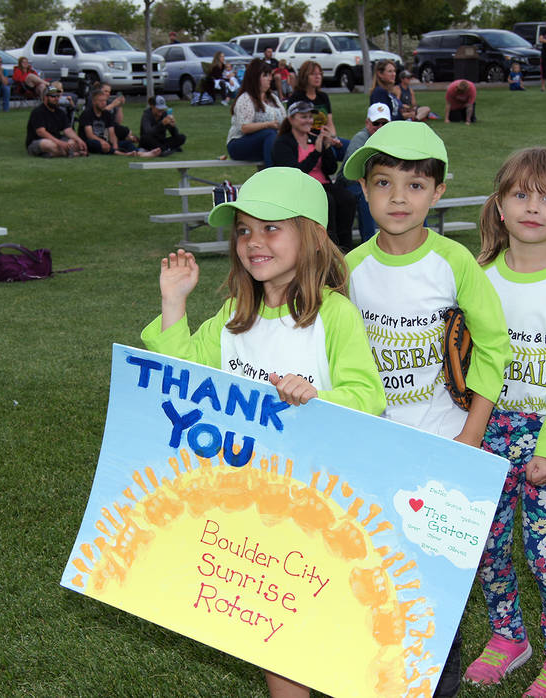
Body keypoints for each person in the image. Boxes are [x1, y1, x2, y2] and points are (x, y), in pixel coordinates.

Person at [141, 167, 385, 698]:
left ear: (311, 236)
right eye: (244, 230)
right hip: (255, 511)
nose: (254, 242)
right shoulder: (233, 318)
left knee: (337, 638)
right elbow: (180, 382)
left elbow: (368, 397)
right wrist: (174, 302)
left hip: (324, 507)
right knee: (277, 641)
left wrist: (317, 397)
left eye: (271, 228)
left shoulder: (334, 316)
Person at [341, 120, 511, 698]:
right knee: (372, 571)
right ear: (364, 190)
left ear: (438, 193)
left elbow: (494, 345)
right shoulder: (350, 268)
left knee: (438, 584)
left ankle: (437, 687)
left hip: (445, 442)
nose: (397, 198)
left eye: (415, 185)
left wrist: (473, 431)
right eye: (383, 182)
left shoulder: (455, 262)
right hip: (373, 447)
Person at [462, 147, 546, 697]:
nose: (533, 207)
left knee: (543, 551)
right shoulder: (478, 279)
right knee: (488, 544)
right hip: (487, 427)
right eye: (520, 194)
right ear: (499, 205)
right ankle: (507, 636)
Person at [272, 101, 355, 252]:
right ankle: (329, 248)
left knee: (347, 198)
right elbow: (293, 174)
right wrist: (316, 152)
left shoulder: (314, 137)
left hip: (322, 183)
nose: (309, 120)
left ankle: (346, 248)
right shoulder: (283, 143)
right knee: (327, 200)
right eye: (304, 117)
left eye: (310, 117)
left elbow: (330, 169)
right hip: (300, 186)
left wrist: (327, 148)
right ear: (291, 119)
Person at [336, 103, 389, 242]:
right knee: (367, 197)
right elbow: (352, 172)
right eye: (376, 123)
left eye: (385, 123)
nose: (380, 127)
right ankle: (369, 241)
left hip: (377, 183)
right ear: (367, 123)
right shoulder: (360, 138)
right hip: (351, 183)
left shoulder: (392, 139)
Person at [225, 58, 285, 166]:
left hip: (269, 142)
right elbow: (245, 127)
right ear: (255, 77)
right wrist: (268, 125)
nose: (270, 79)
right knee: (270, 134)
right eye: (265, 75)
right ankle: (271, 176)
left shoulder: (273, 99)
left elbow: (285, 121)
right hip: (239, 143)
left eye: (270, 75)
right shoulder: (246, 98)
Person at [79, 87, 159, 156]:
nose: (104, 103)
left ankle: (140, 153)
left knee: (126, 143)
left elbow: (112, 132)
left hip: (105, 141)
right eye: (101, 101)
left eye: (105, 101)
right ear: (94, 102)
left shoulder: (106, 114)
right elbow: (89, 135)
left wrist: (115, 145)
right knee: (94, 143)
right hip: (92, 142)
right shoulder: (87, 114)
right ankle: (124, 154)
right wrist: (102, 141)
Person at [25, 85, 87, 157]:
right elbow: (41, 132)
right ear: (45, 97)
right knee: (48, 144)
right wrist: (59, 143)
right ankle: (73, 153)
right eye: (53, 96)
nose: (56, 99)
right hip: (39, 141)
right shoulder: (38, 112)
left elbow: (68, 130)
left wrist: (79, 140)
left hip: (57, 139)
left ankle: (52, 154)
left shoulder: (60, 112)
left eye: (58, 96)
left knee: (75, 143)